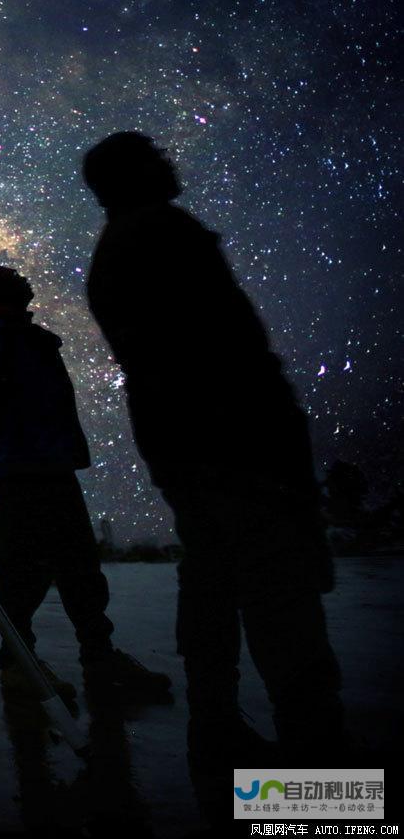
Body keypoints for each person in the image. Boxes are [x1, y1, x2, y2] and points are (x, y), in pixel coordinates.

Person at [81, 131, 346, 818]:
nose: (170, 161)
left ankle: (218, 742)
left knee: (212, 588)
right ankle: (323, 798)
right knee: (283, 609)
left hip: (186, 448)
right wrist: (278, 450)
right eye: (154, 155)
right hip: (236, 446)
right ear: (132, 174)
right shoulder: (164, 232)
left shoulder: (116, 250)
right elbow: (228, 349)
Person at [0, 265, 171, 703]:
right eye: (15, 276)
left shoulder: (14, 336)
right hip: (28, 470)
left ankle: (97, 658)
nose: (26, 279)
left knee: (77, 569)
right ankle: (19, 665)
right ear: (2, 291)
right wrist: (8, 448)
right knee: (27, 574)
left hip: (44, 465)